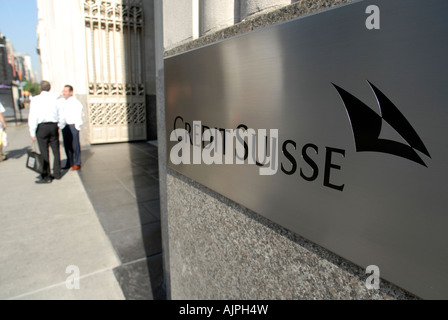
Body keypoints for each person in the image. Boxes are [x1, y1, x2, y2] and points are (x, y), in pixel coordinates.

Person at [28, 81, 65, 184]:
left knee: (44, 152)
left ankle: (47, 176)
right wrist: (59, 125)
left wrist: (32, 131)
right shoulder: (55, 99)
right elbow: (61, 113)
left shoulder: (35, 100)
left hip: (42, 127)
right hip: (53, 126)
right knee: (56, 150)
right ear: (49, 88)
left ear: (40, 88)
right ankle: (57, 173)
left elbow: (33, 116)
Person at [58, 85, 83, 171]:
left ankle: (77, 162)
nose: (64, 92)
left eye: (66, 91)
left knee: (75, 145)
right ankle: (69, 162)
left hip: (73, 126)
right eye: (63, 91)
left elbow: (78, 115)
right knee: (67, 145)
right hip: (65, 125)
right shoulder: (62, 102)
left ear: (71, 92)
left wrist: (77, 126)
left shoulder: (76, 102)